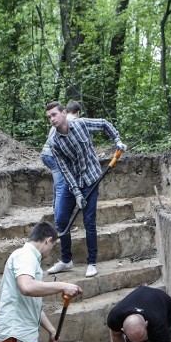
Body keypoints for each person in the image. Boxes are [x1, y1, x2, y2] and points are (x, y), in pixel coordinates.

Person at [44, 101, 126, 278]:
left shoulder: (80, 124)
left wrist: (117, 140)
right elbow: (64, 169)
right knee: (60, 219)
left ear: (64, 113)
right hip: (72, 182)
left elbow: (104, 123)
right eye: (49, 117)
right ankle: (66, 260)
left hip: (90, 179)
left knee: (89, 221)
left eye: (54, 115)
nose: (51, 119)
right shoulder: (54, 142)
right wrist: (77, 193)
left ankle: (92, 263)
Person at [40, 101, 82, 211]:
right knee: (62, 186)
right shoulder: (73, 121)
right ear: (78, 112)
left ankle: (56, 209)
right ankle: (61, 219)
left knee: (58, 183)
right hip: (52, 155)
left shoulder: (61, 119)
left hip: (46, 154)